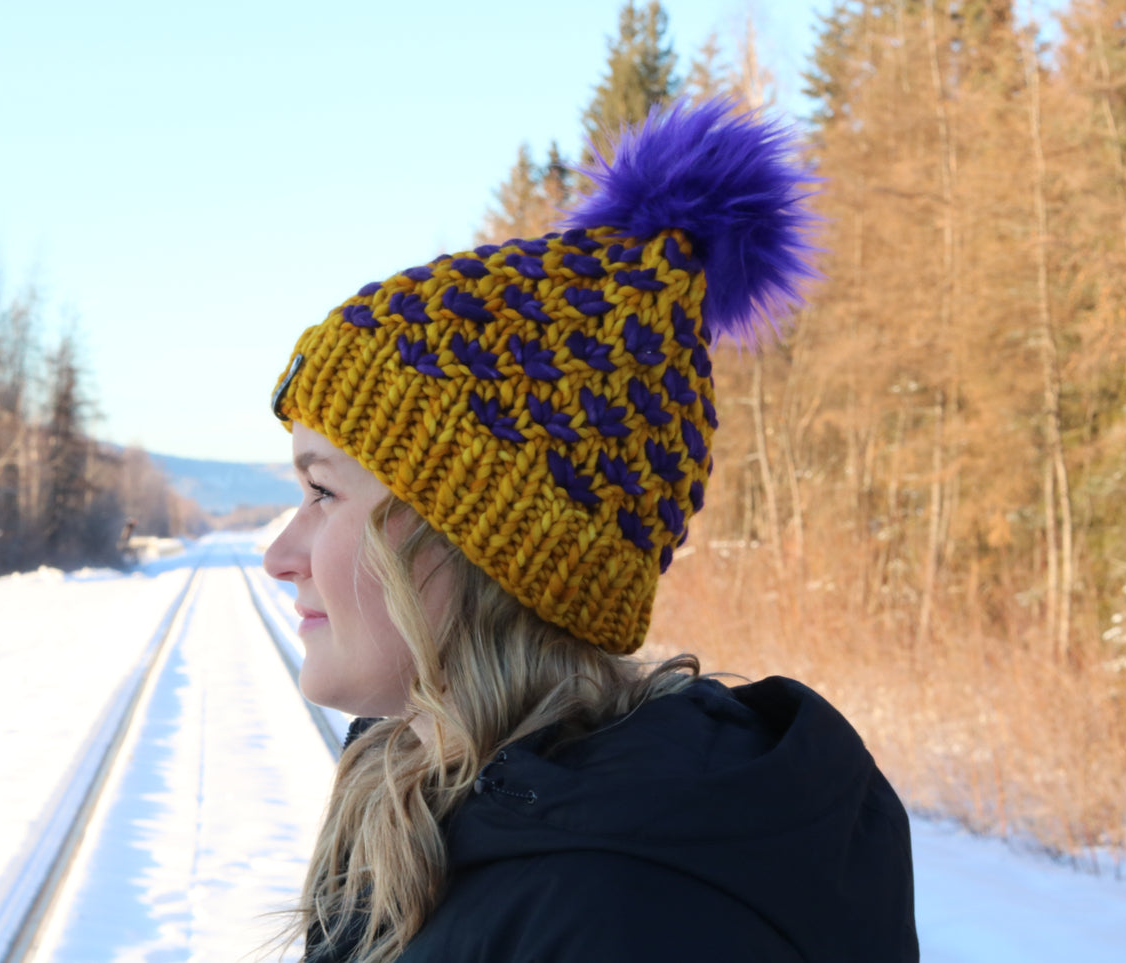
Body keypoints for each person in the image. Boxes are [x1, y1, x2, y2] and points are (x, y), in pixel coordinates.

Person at [262, 98, 918, 962]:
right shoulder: (423, 803)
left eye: (322, 492)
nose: (279, 555)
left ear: (486, 538)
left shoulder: (622, 916)